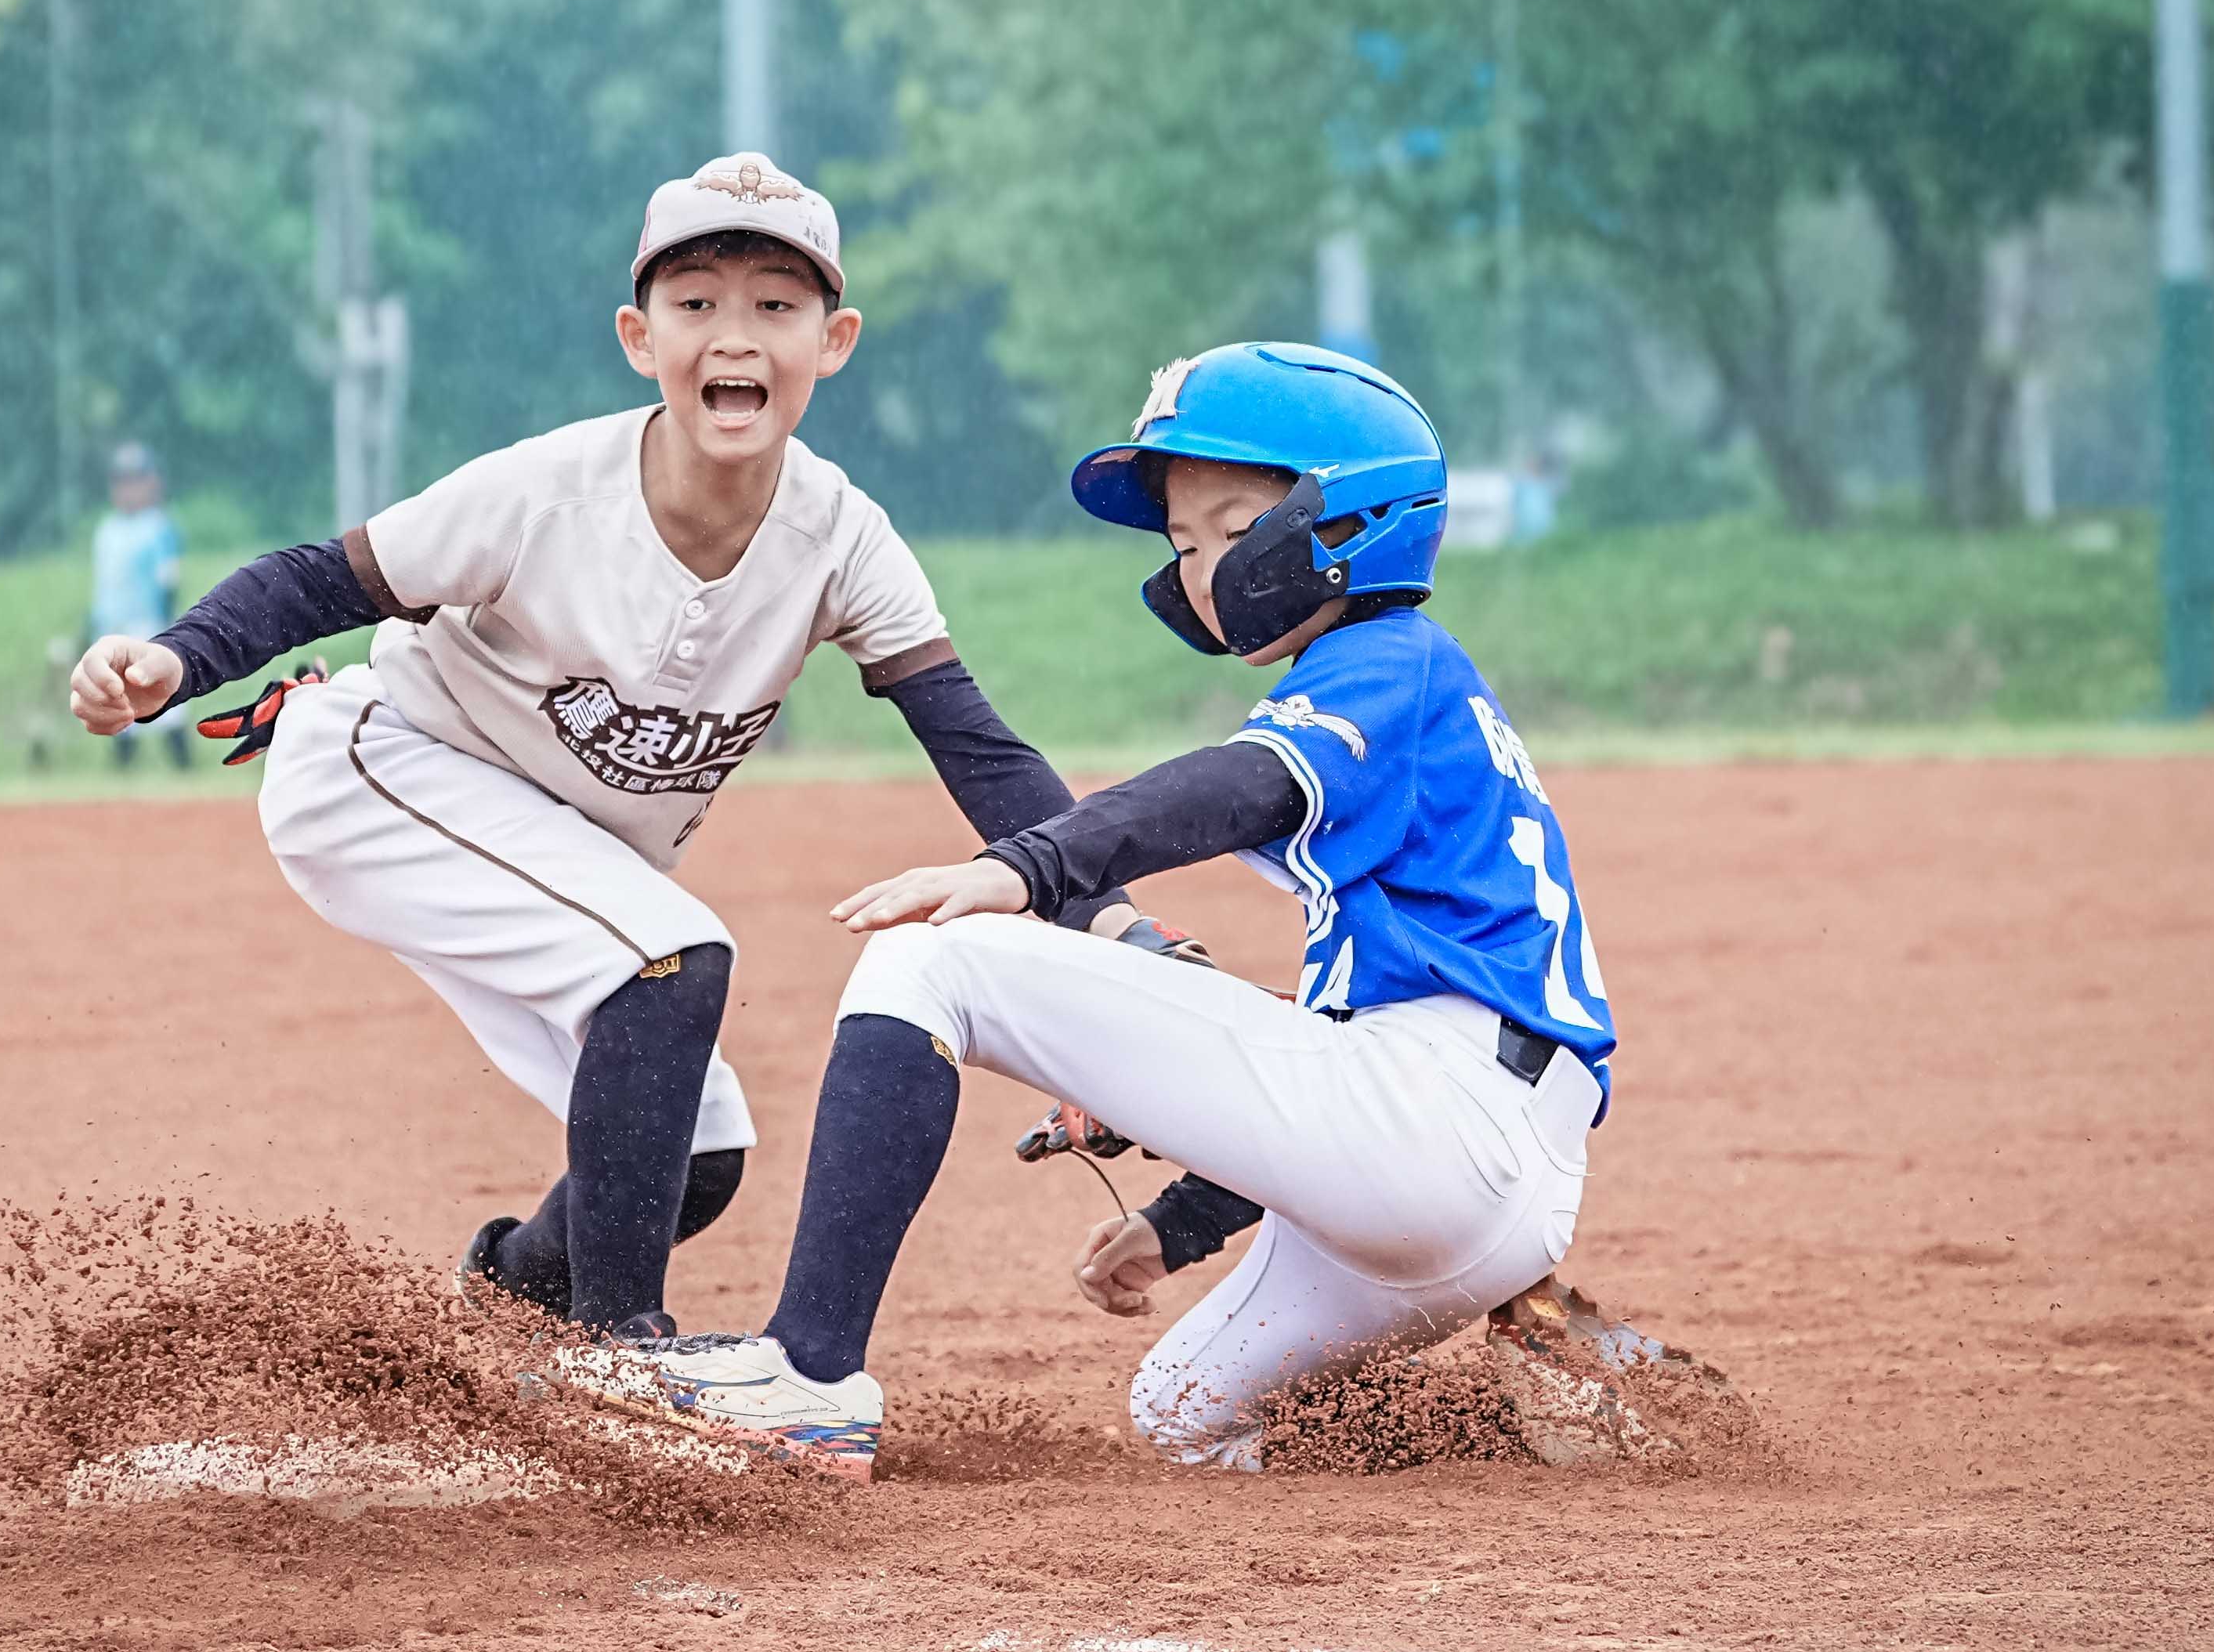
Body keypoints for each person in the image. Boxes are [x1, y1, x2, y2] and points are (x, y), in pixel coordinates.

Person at [66, 151, 1173, 1347]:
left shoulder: (842, 539)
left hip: (546, 838)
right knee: (669, 959)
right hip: (388, 773)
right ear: (639, 338)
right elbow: (320, 580)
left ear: (833, 341)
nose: (733, 335)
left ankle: (498, 1312)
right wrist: (175, 659)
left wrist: (1117, 928)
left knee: (689, 1154)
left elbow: (977, 748)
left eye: (775, 305)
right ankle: (620, 1363)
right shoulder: (547, 492)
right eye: (695, 303)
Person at [608, 344, 1638, 1480]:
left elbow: (1236, 787)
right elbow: (1316, 1080)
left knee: (930, 959)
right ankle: (1554, 1410)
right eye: (1183, 545)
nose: (1197, 569)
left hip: (1442, 1120)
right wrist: (1179, 1221)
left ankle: (805, 1379)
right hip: (1481, 1178)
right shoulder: (1424, 693)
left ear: (1349, 520)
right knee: (1181, 1412)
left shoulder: (1389, 659)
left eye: (1229, 528)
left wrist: (1027, 867)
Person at [89, 441, 191, 770]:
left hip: (150, 624)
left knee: (165, 699)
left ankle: (184, 767)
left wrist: (167, 627)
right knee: (118, 699)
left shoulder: (159, 527)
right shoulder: (107, 531)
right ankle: (123, 772)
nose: (128, 490)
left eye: (136, 480)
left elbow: (168, 580)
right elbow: (103, 586)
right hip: (113, 627)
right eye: (122, 481)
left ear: (153, 483)